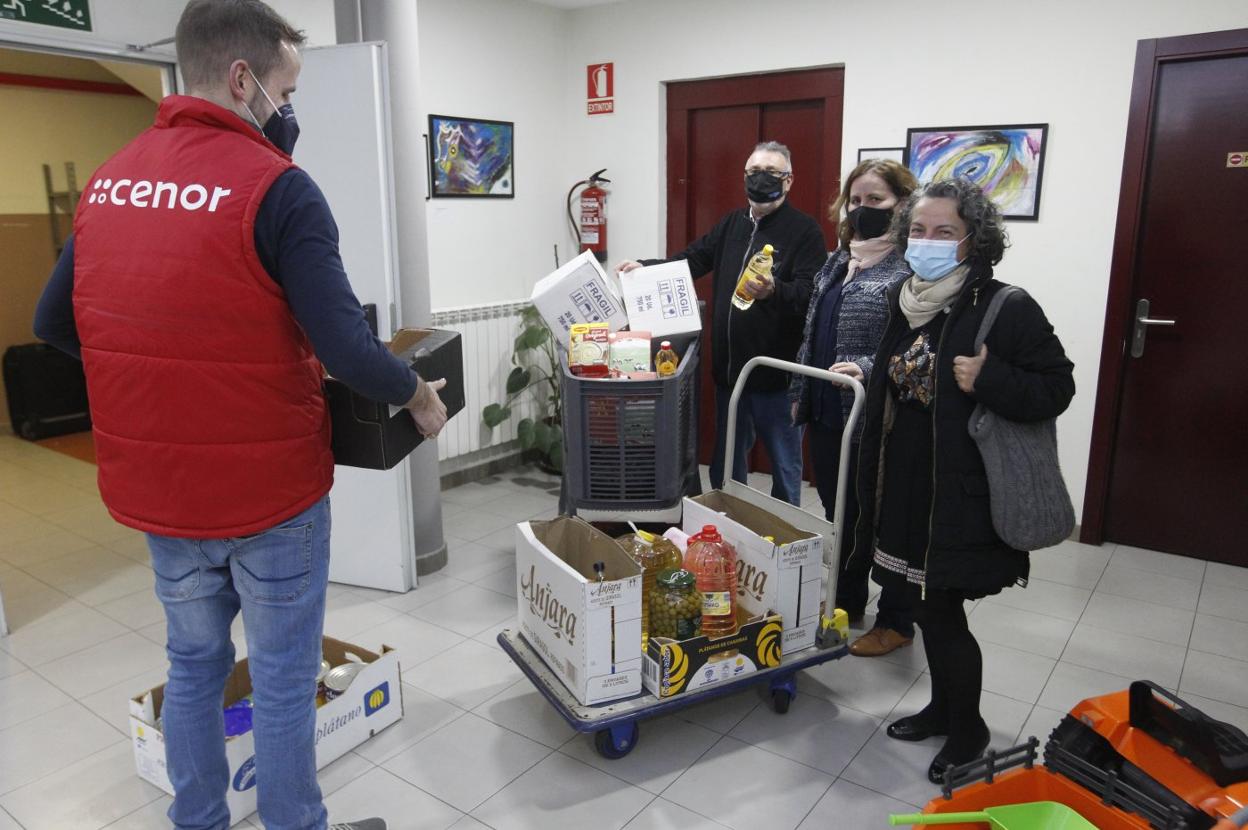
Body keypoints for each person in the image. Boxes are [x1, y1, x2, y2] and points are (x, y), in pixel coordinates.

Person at [32, 2, 446, 828]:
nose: (290, 111)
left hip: (164, 496)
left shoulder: (111, 182)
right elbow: (345, 348)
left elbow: (53, 323)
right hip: (269, 497)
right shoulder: (280, 190)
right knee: (286, 677)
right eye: (287, 89)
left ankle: (201, 823)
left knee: (192, 665)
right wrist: (418, 394)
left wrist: (156, 384)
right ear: (242, 78)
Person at [849, 178, 1074, 783]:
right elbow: (903, 383)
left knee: (942, 611)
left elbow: (1058, 387)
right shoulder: (908, 297)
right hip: (905, 486)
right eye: (918, 230)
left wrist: (990, 377)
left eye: (944, 231)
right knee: (924, 609)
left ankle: (968, 727)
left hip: (959, 494)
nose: (928, 241)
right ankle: (943, 709)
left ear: (974, 240)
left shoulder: (1007, 305)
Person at [614, 141, 827, 505]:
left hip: (778, 379)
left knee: (785, 468)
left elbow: (811, 295)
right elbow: (692, 260)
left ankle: (788, 540)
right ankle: (726, 527)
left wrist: (774, 290)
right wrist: (646, 267)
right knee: (725, 466)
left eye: (771, 173)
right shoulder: (732, 223)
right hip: (730, 375)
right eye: (753, 172)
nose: (760, 180)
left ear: (788, 181)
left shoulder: (805, 231)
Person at [790, 159, 917, 658]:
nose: (863, 211)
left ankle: (898, 619)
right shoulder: (835, 260)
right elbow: (810, 329)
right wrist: (800, 390)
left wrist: (866, 365)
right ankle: (847, 600)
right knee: (838, 511)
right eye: (856, 201)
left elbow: (908, 344)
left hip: (874, 416)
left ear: (901, 205)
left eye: (876, 201)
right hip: (826, 409)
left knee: (882, 521)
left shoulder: (907, 269)